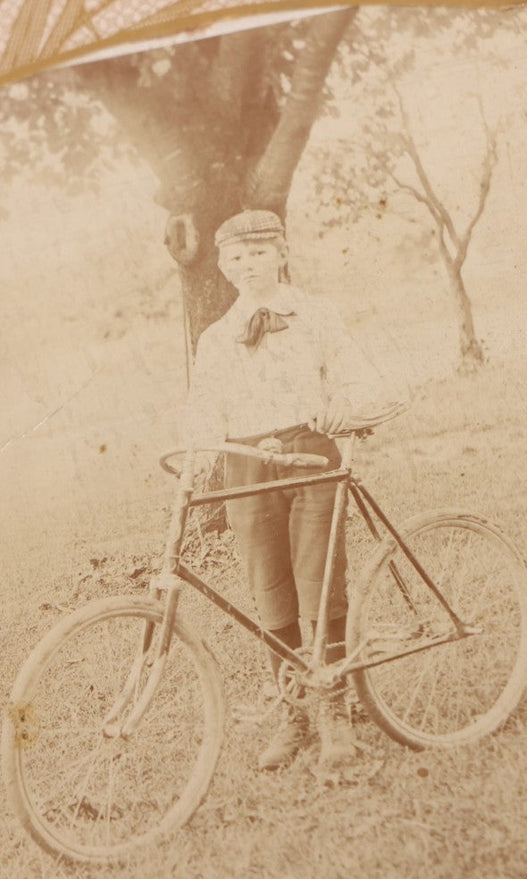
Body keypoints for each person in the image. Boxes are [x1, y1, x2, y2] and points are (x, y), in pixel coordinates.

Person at [182, 209, 405, 771]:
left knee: (320, 579)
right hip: (247, 468)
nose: (246, 265)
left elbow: (364, 380)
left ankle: (335, 710)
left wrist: (343, 406)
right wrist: (194, 462)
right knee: (269, 588)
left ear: (281, 254)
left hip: (311, 455)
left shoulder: (317, 315)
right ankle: (295, 711)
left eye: (258, 252)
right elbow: (205, 413)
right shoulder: (215, 338)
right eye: (234, 257)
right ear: (223, 267)